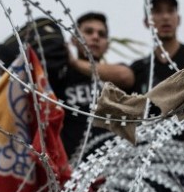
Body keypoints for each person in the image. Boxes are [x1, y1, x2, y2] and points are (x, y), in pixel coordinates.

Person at [54, 12, 134, 160]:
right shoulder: (61, 77)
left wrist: (75, 62)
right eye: (89, 32)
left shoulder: (114, 75)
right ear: (73, 40)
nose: (95, 37)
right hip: (75, 164)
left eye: (101, 34)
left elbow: (125, 77)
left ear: (107, 45)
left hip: (114, 161)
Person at [129, 0, 184, 94]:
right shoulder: (139, 71)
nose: (165, 17)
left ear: (178, 19)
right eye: (157, 11)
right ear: (146, 22)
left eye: (170, 10)